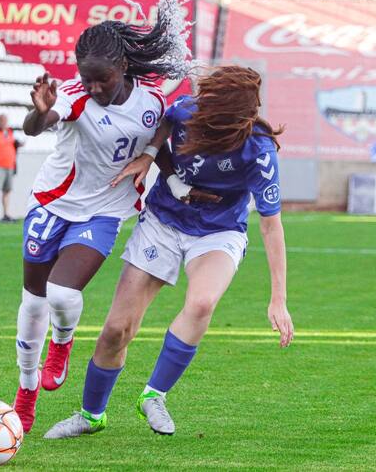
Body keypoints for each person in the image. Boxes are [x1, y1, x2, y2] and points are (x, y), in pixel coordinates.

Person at [44, 66, 295, 439]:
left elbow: (271, 225)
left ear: (231, 119)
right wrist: (149, 156)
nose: (199, 108)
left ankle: (154, 395)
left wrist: (279, 299)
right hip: (162, 220)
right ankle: (91, 415)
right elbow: (164, 125)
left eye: (209, 107)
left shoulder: (257, 151)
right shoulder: (187, 110)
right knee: (116, 329)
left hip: (218, 231)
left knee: (202, 303)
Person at [10, 0, 195, 434]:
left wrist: (162, 167)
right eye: (87, 79)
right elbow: (40, 126)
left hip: (104, 212)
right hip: (53, 203)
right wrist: (39, 113)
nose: (94, 88)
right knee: (33, 301)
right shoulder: (74, 96)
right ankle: (26, 390)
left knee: (62, 295)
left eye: (102, 80)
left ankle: (63, 344)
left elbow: (159, 134)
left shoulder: (150, 104)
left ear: (123, 68)